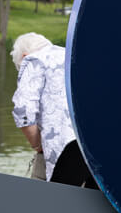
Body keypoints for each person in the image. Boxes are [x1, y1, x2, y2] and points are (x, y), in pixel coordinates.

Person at [10, 32, 92, 187]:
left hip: (65, 148)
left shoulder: (33, 60)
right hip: (94, 143)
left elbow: (23, 112)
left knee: (54, 205)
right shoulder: (72, 56)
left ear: (24, 56)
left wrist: (37, 145)